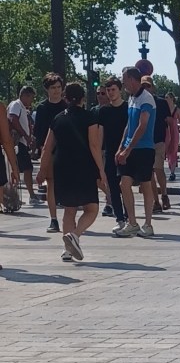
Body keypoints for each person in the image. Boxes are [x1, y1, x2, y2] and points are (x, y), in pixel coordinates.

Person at [36, 82, 106, 262]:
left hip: (62, 167)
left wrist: (42, 171)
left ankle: (67, 250)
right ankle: (75, 235)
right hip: (83, 165)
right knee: (92, 208)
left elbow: (47, 148)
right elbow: (94, 145)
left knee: (69, 209)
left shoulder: (58, 118)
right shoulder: (89, 116)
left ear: (66, 98)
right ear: (83, 98)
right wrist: (101, 169)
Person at [113, 66, 157, 238]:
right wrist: (121, 148)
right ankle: (132, 222)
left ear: (132, 79)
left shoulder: (147, 98)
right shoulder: (131, 98)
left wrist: (128, 149)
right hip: (130, 148)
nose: (123, 83)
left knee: (146, 185)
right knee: (124, 184)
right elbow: (129, 125)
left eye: (124, 80)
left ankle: (148, 223)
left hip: (144, 149)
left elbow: (142, 125)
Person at [33, 73, 66, 233]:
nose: (56, 91)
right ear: (47, 89)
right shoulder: (42, 108)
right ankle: (54, 219)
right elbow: (39, 133)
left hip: (67, 151)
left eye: (59, 87)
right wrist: (42, 156)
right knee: (51, 184)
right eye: (53, 88)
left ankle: (69, 217)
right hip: (49, 152)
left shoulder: (67, 106)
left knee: (67, 185)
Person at [96, 77, 129, 228]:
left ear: (120, 89)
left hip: (126, 152)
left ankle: (130, 217)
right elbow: (100, 134)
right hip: (109, 153)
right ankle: (120, 219)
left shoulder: (128, 108)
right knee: (113, 187)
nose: (110, 93)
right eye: (108, 90)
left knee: (125, 185)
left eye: (113, 89)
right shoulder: (103, 111)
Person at [141, 77, 171, 212]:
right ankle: (156, 201)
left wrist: (172, 142)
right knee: (149, 173)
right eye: (143, 86)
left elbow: (170, 122)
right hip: (145, 142)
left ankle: (164, 194)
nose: (146, 88)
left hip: (159, 141)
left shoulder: (161, 103)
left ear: (152, 87)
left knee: (158, 170)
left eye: (148, 86)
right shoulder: (138, 102)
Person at [7, 85, 38, 206]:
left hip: (21, 142)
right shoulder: (16, 105)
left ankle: (13, 195)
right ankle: (31, 195)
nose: (31, 101)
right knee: (27, 168)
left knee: (18, 169)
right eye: (31, 97)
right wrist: (25, 135)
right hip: (18, 142)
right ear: (25, 95)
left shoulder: (21, 107)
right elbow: (13, 119)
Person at [164, 92, 180, 181]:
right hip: (166, 132)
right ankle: (171, 168)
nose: (165, 99)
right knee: (168, 152)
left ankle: (172, 172)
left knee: (173, 151)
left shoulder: (177, 110)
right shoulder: (164, 109)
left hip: (174, 132)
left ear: (172, 98)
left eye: (167, 97)